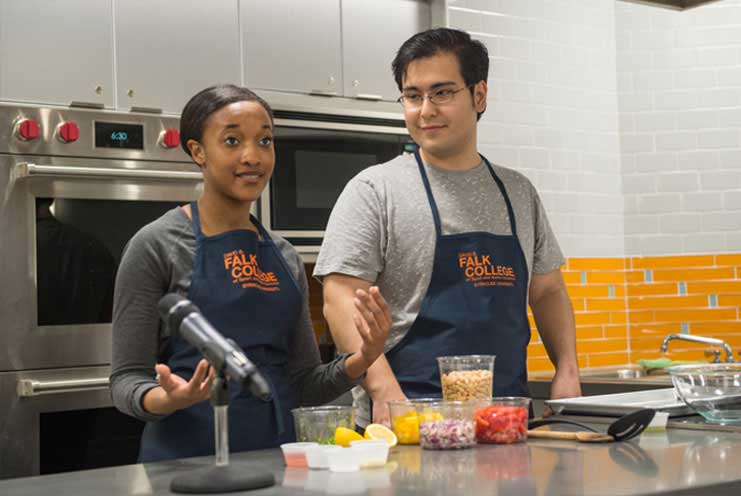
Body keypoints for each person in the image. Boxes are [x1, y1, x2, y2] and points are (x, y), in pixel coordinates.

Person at [315, 28, 581, 427]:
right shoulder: (374, 190)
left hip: (505, 422)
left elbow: (547, 291)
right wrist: (385, 393)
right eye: (412, 95)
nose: (425, 110)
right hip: (407, 420)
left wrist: (567, 369)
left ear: (479, 96)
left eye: (441, 93)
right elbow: (340, 299)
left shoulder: (518, 192)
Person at [110, 84, 391, 462]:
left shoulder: (285, 256)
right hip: (184, 464)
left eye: (265, 141)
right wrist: (168, 397)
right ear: (198, 152)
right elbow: (125, 380)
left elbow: (302, 382)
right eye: (231, 141)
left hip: (278, 461)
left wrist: (362, 359)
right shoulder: (156, 245)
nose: (252, 156)